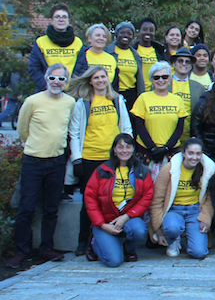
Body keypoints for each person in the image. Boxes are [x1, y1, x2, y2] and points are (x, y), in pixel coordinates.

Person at [6, 64, 76, 269]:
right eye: (52, 78)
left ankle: (46, 247)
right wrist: (36, 145)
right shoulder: (32, 101)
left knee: (51, 208)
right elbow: (22, 129)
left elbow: (69, 128)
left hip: (57, 162)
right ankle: (21, 251)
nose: (56, 82)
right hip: (34, 161)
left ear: (66, 82)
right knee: (26, 208)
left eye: (61, 79)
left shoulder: (70, 102)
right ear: (46, 79)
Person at [67, 66, 133, 257]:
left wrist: (125, 152)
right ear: (90, 81)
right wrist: (77, 158)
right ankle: (84, 240)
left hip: (112, 159)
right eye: (96, 78)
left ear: (108, 79)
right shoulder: (83, 103)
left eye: (103, 77)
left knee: (114, 199)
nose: (100, 80)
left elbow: (126, 128)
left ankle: (115, 240)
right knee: (90, 202)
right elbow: (74, 133)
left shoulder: (117, 100)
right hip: (89, 158)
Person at [82, 134, 154, 267]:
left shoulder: (142, 171)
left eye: (128, 147)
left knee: (139, 230)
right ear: (114, 149)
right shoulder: (102, 170)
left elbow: (147, 197)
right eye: (120, 147)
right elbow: (90, 199)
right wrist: (101, 224)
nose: (124, 150)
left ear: (133, 149)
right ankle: (95, 243)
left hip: (129, 218)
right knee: (114, 261)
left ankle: (129, 249)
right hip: (105, 220)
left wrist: (126, 217)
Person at [149, 138, 215, 259]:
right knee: (172, 227)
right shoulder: (169, 169)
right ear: (183, 153)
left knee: (199, 253)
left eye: (198, 154)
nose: (194, 157)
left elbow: (209, 199)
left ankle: (190, 238)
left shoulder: (207, 171)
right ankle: (173, 239)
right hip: (173, 210)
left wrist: (206, 218)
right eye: (190, 153)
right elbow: (156, 200)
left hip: (195, 210)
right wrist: (158, 230)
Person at [130, 62, 188, 166]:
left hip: (171, 152)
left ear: (169, 79)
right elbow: (139, 126)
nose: (161, 80)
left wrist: (166, 147)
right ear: (151, 80)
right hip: (146, 152)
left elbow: (180, 128)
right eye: (156, 77)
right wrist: (152, 147)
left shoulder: (177, 100)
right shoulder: (143, 98)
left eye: (164, 77)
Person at [28, 3, 86, 92]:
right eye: (57, 17)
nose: (61, 19)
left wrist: (73, 85)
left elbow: (83, 67)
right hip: (46, 91)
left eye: (64, 17)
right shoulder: (41, 42)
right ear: (51, 20)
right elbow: (34, 68)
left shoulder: (77, 42)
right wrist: (48, 86)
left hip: (71, 92)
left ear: (68, 20)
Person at [167, 47, 207, 144]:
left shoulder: (199, 88)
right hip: (167, 136)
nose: (184, 64)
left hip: (190, 137)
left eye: (187, 62)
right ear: (174, 64)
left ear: (191, 66)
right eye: (180, 61)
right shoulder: (164, 85)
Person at [109, 22, 144, 108]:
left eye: (129, 34)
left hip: (131, 94)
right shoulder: (108, 52)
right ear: (116, 34)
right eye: (122, 32)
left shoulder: (135, 55)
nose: (126, 35)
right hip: (113, 93)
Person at [133, 17, 169, 87]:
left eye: (151, 30)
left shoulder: (160, 51)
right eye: (144, 29)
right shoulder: (133, 50)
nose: (148, 32)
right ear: (139, 31)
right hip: (137, 91)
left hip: (156, 90)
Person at [80, 24, 118, 89]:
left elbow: (114, 83)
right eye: (97, 35)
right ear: (89, 38)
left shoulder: (111, 58)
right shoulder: (82, 56)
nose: (101, 38)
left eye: (104, 36)